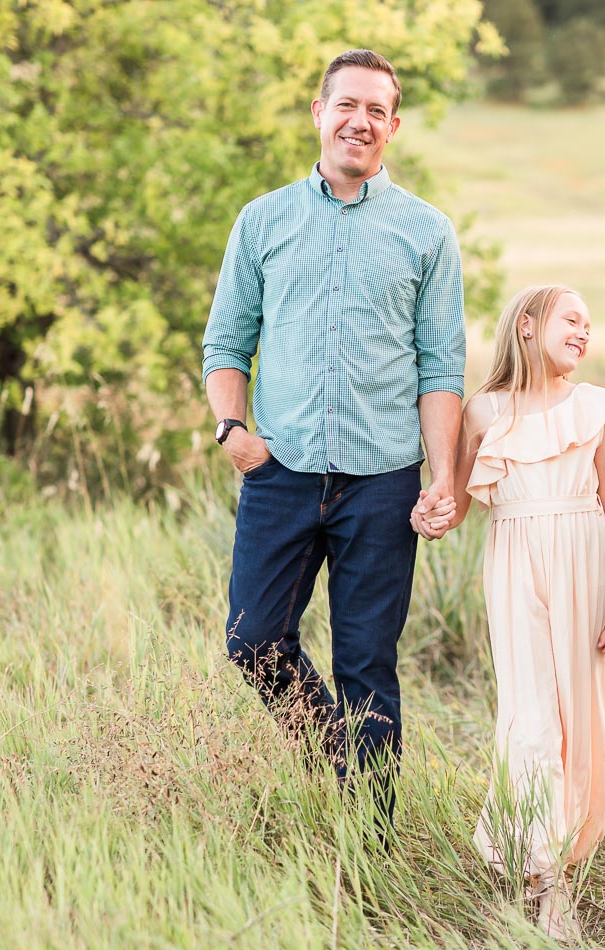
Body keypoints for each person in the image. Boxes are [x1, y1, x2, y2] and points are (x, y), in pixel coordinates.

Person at [200, 49, 466, 831]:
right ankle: (342, 762)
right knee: (253, 640)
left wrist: (441, 478)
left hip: (383, 480)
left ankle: (372, 840)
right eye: (348, 104)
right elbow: (225, 344)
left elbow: (441, 368)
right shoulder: (263, 220)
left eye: (378, 111)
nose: (361, 121)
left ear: (393, 126)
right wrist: (232, 430)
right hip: (279, 471)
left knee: (366, 666)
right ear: (319, 112)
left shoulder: (427, 232)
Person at [422, 285, 605, 940]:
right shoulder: (483, 410)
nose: (584, 332)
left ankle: (552, 853)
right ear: (527, 324)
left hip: (584, 558)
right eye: (572, 319)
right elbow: (456, 505)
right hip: (515, 558)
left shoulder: (596, 408)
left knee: (582, 718)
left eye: (590, 324)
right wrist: (431, 513)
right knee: (531, 713)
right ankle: (549, 881)